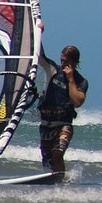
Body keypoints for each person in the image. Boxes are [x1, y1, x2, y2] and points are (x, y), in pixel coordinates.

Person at [37, 45, 88, 174]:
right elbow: (40, 56)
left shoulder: (81, 81)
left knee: (57, 152)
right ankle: (56, 183)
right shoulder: (52, 70)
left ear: (75, 62)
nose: (63, 63)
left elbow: (77, 102)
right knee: (48, 163)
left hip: (63, 126)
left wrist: (70, 79)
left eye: (67, 61)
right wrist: (37, 30)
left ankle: (60, 182)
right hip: (46, 125)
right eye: (62, 60)